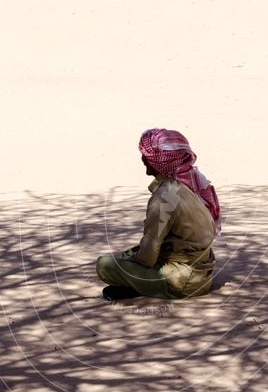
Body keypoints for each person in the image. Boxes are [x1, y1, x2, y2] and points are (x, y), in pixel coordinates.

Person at [95, 128, 222, 301]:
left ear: (152, 162)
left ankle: (149, 287)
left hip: (183, 282)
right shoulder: (188, 184)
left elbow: (148, 256)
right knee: (129, 254)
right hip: (202, 272)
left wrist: (134, 261)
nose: (142, 159)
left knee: (105, 266)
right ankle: (144, 283)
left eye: (145, 156)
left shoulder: (164, 197)